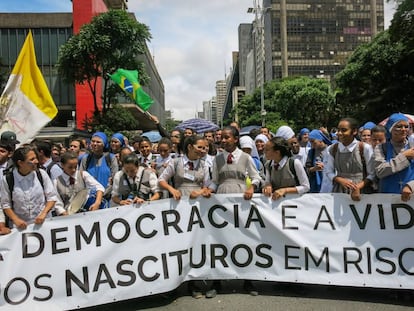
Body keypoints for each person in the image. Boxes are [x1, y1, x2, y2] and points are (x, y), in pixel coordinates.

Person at [209, 126, 262, 297]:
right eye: (221, 138)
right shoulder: (217, 159)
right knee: (221, 240)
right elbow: (214, 181)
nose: (223, 141)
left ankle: (248, 280)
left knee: (244, 240)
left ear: (235, 139)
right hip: (222, 200)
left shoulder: (246, 158)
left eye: (227, 137)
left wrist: (252, 188)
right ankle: (217, 281)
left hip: (242, 200)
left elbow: (256, 177)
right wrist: (207, 190)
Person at [0, 146, 60, 229]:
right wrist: (16, 219)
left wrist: (43, 213)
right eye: (32, 159)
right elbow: (6, 204)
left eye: (36, 158)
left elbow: (52, 197)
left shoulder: (41, 174)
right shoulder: (8, 179)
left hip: (43, 224)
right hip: (19, 228)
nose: (36, 161)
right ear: (20, 163)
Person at [325, 118, 375, 201]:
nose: (339, 133)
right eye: (338, 130)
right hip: (339, 190)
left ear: (354, 131)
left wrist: (358, 187)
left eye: (344, 130)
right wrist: (339, 179)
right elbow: (328, 171)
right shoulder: (333, 149)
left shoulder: (364, 148)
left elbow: (372, 174)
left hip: (361, 191)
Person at [159, 135, 212, 200]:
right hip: (179, 201)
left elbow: (207, 185)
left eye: (203, 148)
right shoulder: (175, 162)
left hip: (198, 202)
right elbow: (161, 180)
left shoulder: (204, 165)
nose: (202, 151)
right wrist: (172, 190)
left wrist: (200, 192)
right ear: (189, 147)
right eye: (199, 147)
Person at [374, 113, 414, 196]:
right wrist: (404, 156)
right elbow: (380, 171)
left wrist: (411, 186)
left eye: (406, 126)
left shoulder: (412, 146)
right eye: (399, 126)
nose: (403, 129)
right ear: (390, 128)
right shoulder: (381, 148)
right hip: (388, 197)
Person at [80, 132, 119, 201]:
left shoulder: (111, 158)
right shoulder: (86, 158)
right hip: (89, 198)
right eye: (93, 141)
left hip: (107, 198)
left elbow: (115, 179)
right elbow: (81, 178)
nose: (95, 144)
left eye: (98, 142)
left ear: (104, 144)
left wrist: (102, 195)